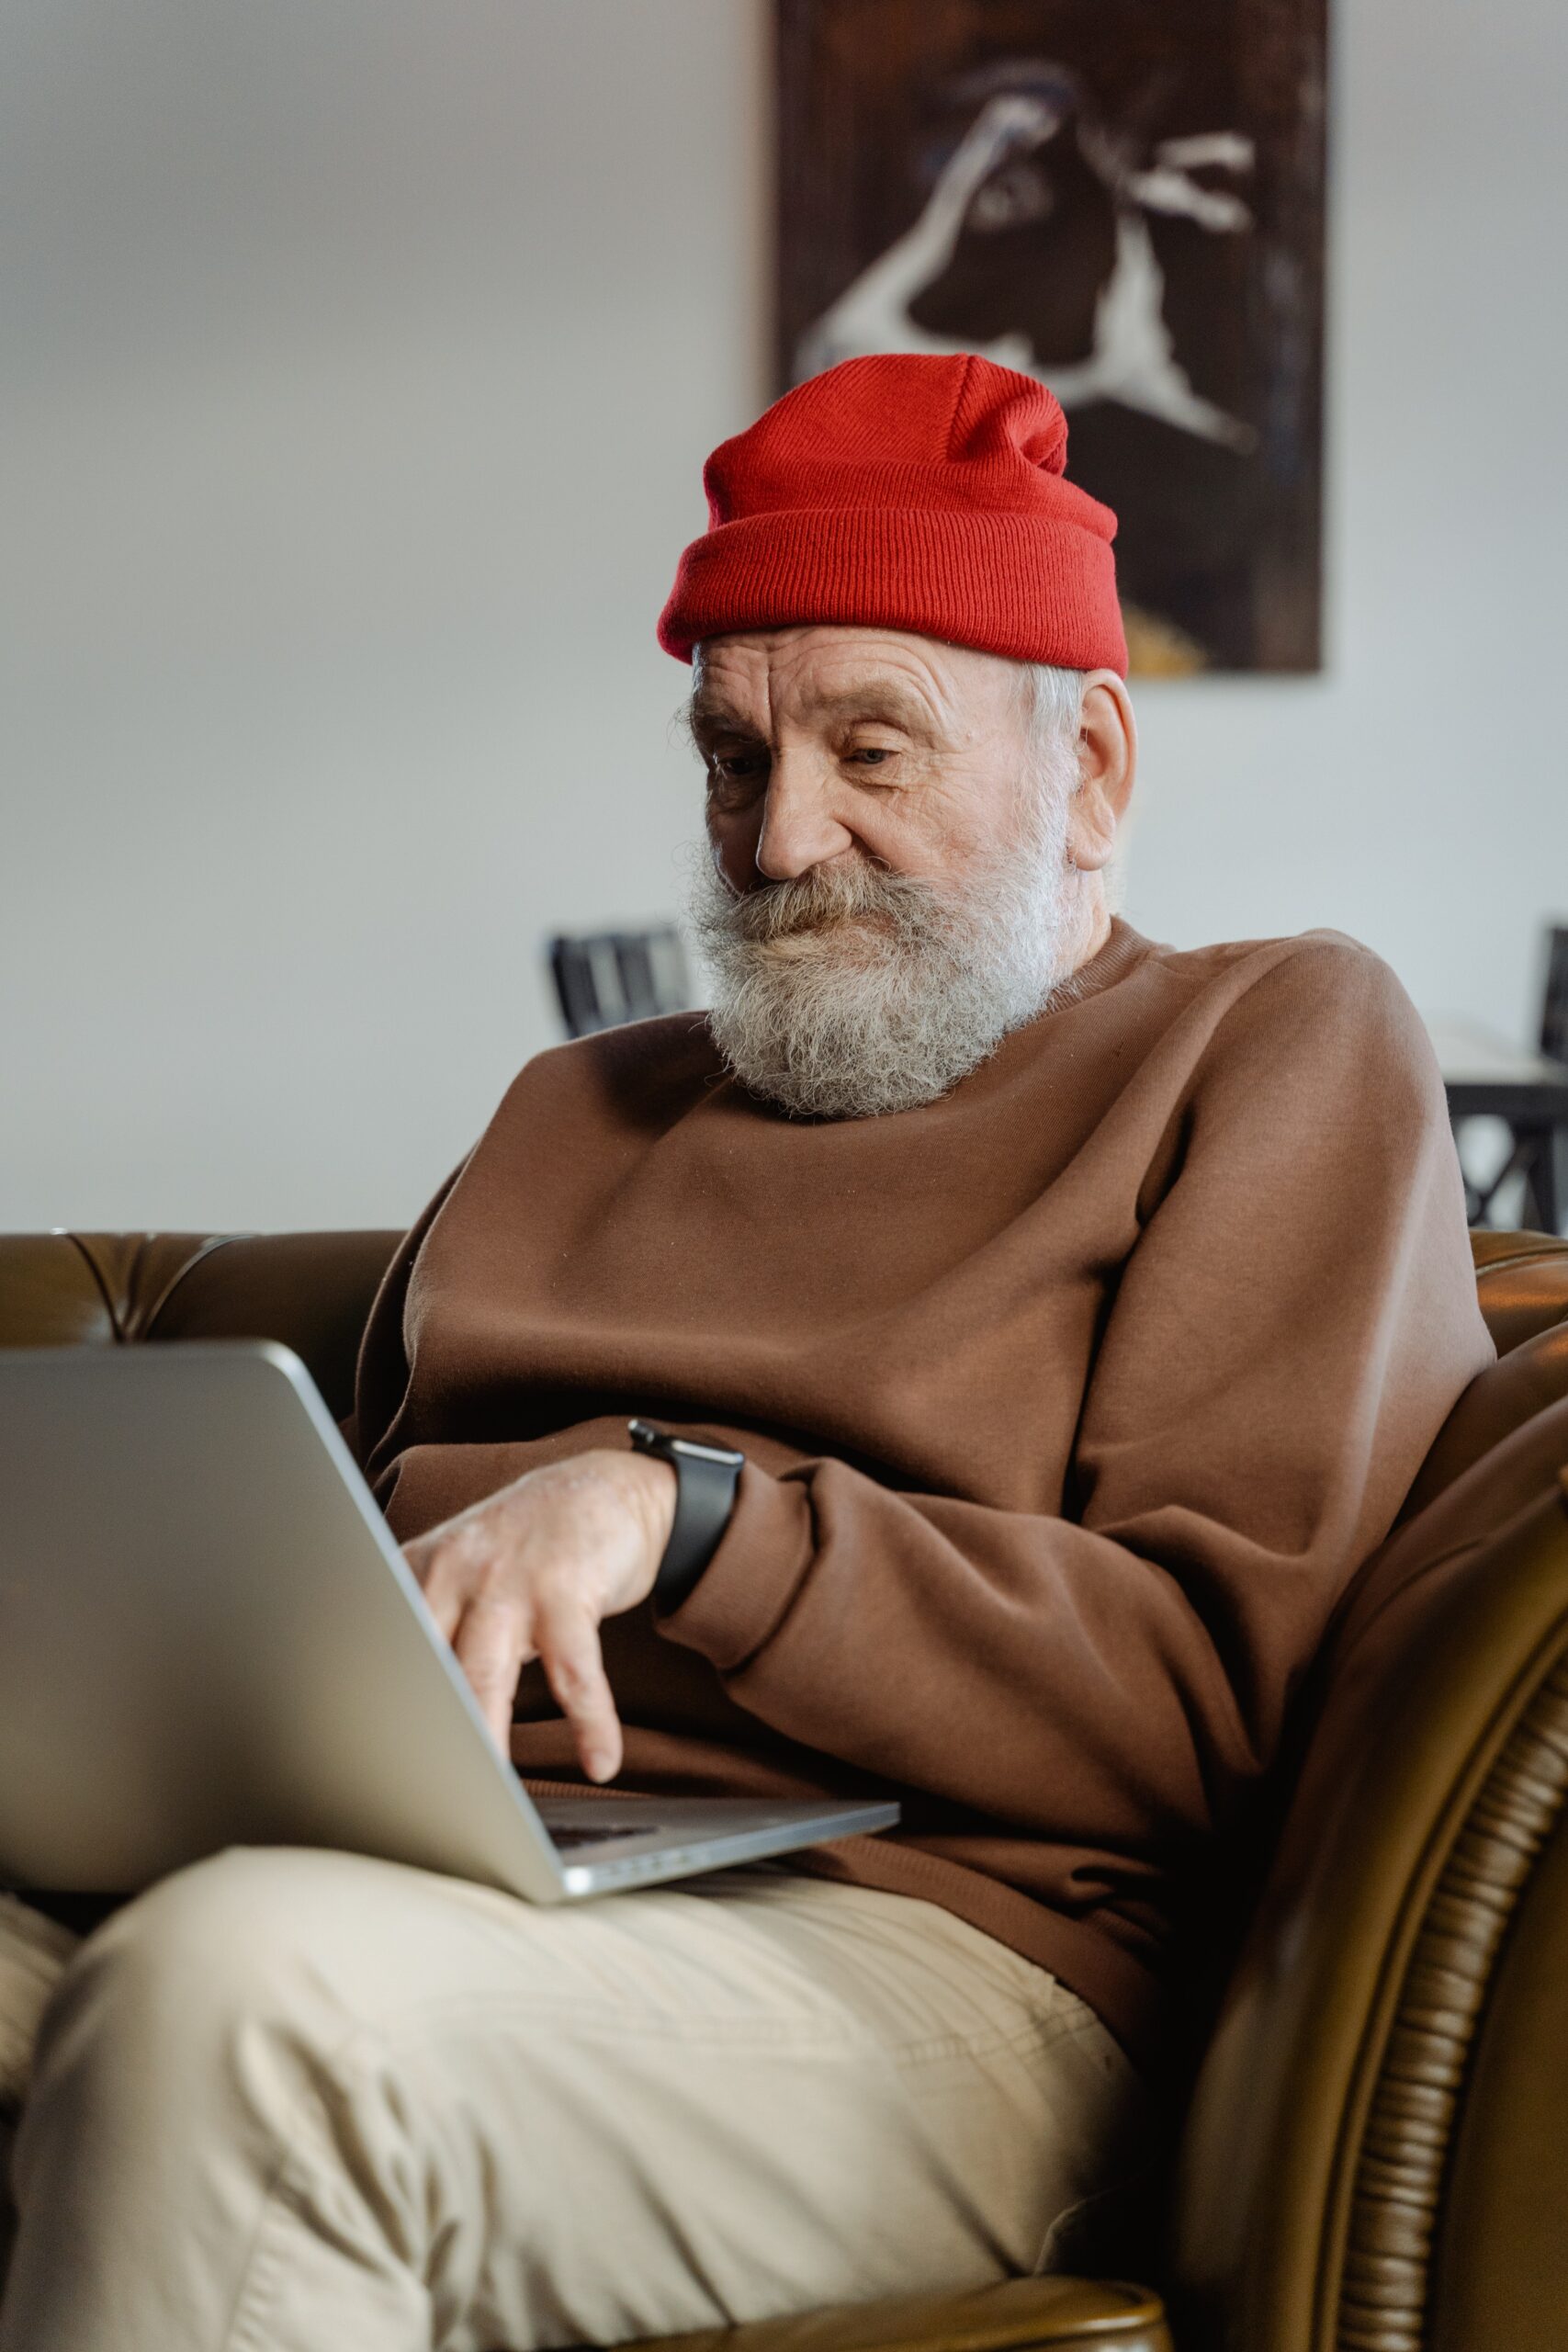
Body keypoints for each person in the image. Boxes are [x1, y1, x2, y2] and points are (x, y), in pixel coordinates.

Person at [0, 353, 1493, 2352]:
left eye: (873, 752)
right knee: (230, 1950)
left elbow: (1212, 1697)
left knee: (252, 2010)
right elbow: (340, 1582)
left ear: (1094, 768)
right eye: (730, 758)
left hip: (947, 1950)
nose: (781, 839)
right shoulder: (563, 1110)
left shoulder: (1270, 1044)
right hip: (461, 1864)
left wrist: (687, 1516)